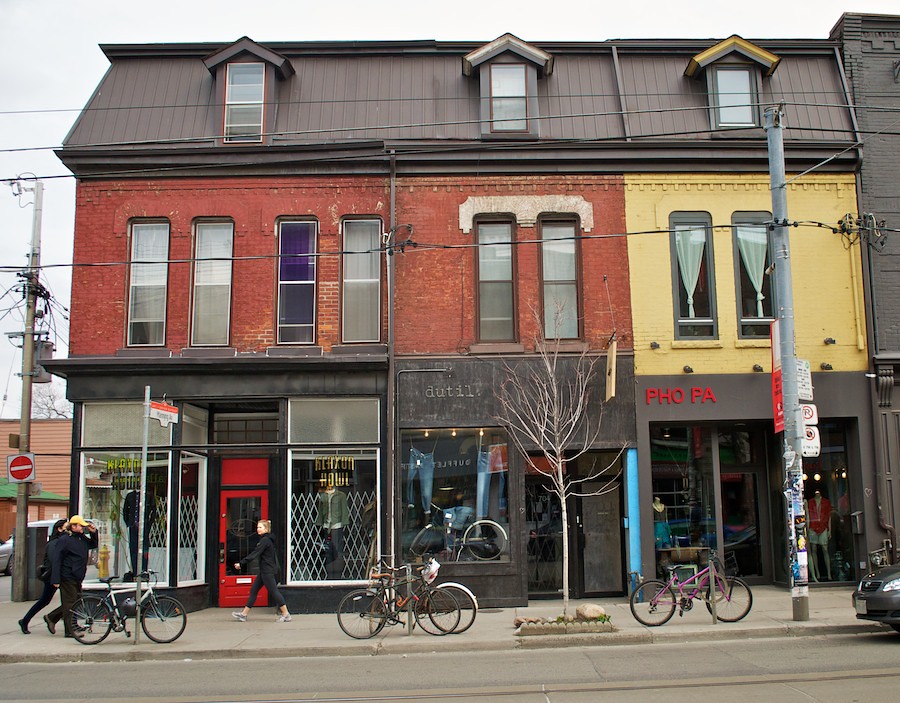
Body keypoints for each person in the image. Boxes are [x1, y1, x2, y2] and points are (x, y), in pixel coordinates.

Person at [45, 515, 99, 637]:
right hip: (67, 576)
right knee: (70, 603)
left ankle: (51, 617)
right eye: (80, 526)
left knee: (75, 601)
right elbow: (57, 560)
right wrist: (56, 578)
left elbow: (93, 544)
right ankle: (70, 631)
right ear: (73, 526)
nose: (82, 528)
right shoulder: (64, 540)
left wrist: (94, 533)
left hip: (77, 576)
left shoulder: (82, 538)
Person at [232, 519, 291, 623]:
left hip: (267, 571)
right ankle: (244, 614)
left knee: (274, 591)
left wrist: (242, 563)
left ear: (266, 529)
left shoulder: (265, 541)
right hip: (264, 571)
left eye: (260, 527)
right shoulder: (266, 540)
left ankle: (286, 614)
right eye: (258, 527)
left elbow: (255, 553)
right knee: (254, 591)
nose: (258, 529)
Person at [18, 519, 67, 634]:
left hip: (59, 576)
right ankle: (25, 620)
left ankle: (54, 619)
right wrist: (56, 578)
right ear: (59, 529)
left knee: (69, 600)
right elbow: (54, 561)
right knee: (44, 601)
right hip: (52, 577)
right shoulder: (54, 543)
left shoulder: (61, 541)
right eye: (66, 527)